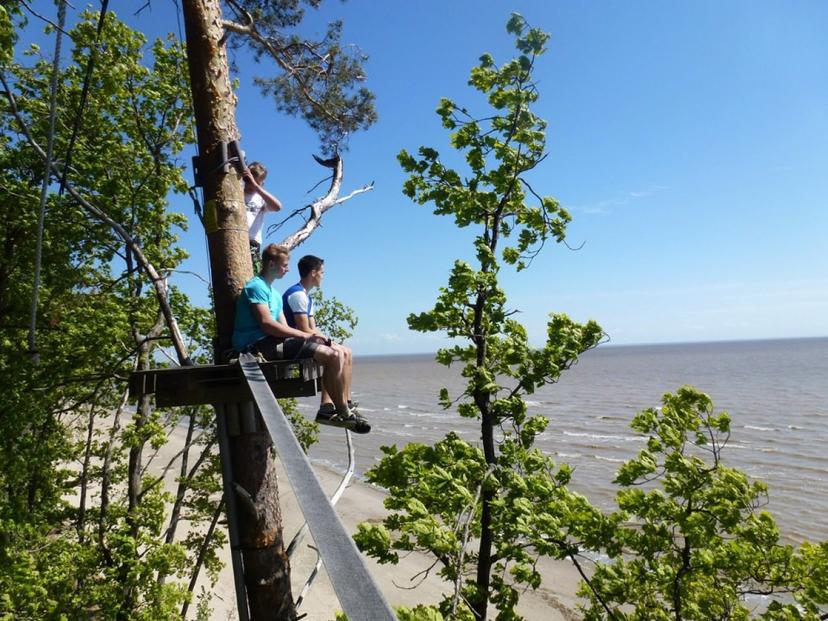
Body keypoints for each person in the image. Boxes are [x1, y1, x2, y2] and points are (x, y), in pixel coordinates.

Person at [232, 244, 370, 433]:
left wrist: (307, 338)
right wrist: (305, 335)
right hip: (257, 346)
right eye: (284, 265)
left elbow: (285, 327)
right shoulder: (255, 287)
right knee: (332, 355)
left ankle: (331, 409)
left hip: (275, 341)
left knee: (334, 354)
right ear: (271, 264)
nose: (288, 269)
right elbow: (266, 324)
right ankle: (343, 412)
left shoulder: (275, 294)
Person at [282, 255, 357, 422]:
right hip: (292, 342)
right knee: (336, 354)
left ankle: (346, 401)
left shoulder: (307, 297)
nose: (323, 276)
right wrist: (327, 342)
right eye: (322, 272)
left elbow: (313, 328)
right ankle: (335, 407)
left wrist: (330, 341)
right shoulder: (297, 295)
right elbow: (304, 329)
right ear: (313, 273)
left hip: (304, 339)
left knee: (346, 352)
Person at [243, 162, 282, 271]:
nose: (251, 185)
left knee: (252, 272)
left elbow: (278, 207)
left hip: (252, 240)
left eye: (256, 182)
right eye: (249, 181)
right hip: (236, 236)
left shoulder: (260, 198)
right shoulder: (237, 194)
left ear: (262, 183)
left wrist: (257, 188)